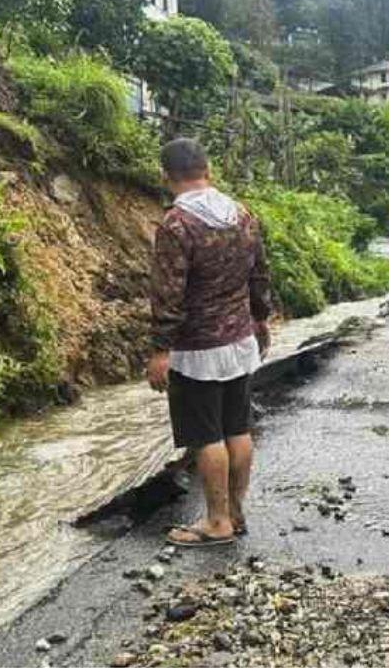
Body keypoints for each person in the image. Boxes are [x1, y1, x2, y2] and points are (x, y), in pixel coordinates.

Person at [147, 138, 272, 547]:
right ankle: (235, 512)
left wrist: (160, 350)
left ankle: (217, 521)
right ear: (208, 171)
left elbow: (169, 293)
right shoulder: (242, 215)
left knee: (206, 435)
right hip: (239, 340)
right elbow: (259, 274)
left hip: (196, 350)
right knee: (237, 427)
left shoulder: (177, 225)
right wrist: (260, 318)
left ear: (167, 178)